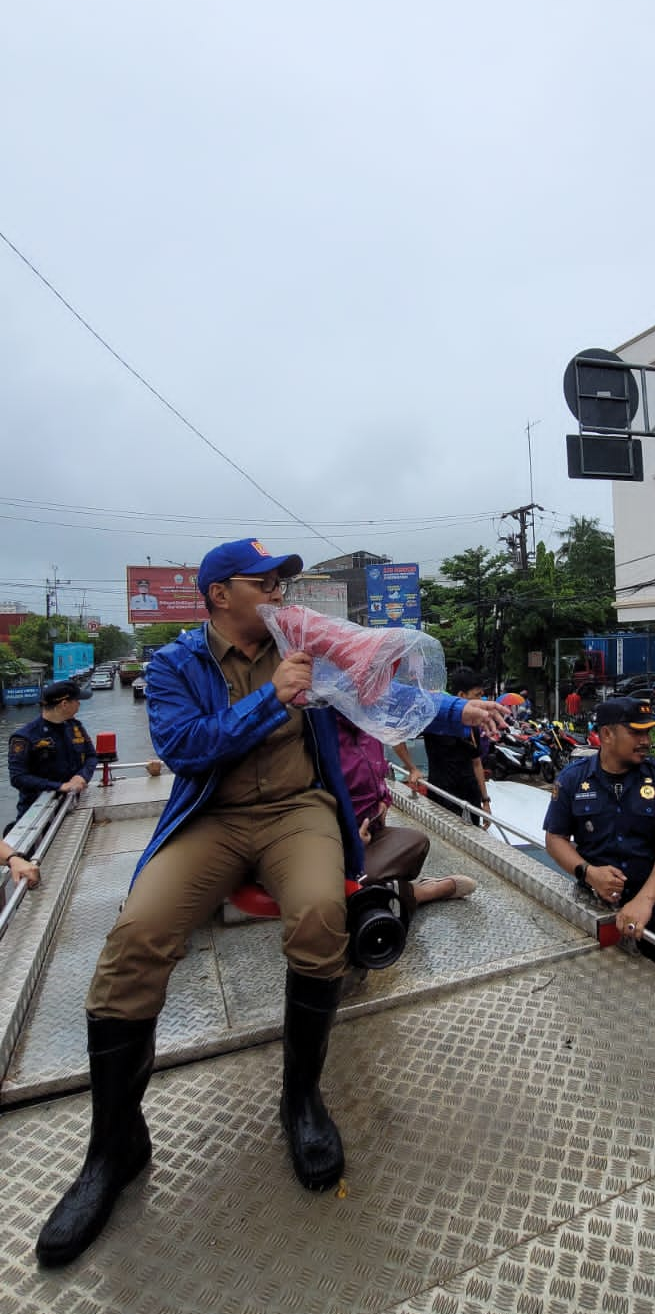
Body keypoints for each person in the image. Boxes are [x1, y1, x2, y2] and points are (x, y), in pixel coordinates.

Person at [35, 537, 507, 1269]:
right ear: (220, 594)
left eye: (283, 585)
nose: (281, 597)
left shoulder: (307, 645)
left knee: (322, 914)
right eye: (266, 584)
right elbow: (187, 747)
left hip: (299, 812)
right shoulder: (174, 665)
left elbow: (382, 691)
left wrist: (460, 712)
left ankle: (301, 1101)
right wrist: (271, 697)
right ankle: (114, 1146)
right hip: (214, 818)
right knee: (137, 937)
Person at [542, 696, 655, 950]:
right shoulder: (573, 779)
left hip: (654, 916)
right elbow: (555, 839)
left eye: (648, 733)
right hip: (592, 909)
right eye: (636, 732)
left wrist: (645, 900)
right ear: (607, 734)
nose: (646, 742)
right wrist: (588, 873)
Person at [336, 715, 476, 911]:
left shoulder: (370, 727)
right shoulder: (318, 732)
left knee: (418, 841)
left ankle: (384, 887)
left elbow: (379, 777)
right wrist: (348, 840)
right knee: (352, 890)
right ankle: (420, 893)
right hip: (333, 845)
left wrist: (384, 801)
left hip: (373, 833)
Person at [8, 680, 98, 821]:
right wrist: (60, 786)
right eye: (77, 700)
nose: (79, 704)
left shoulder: (75, 727)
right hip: (37, 814)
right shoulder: (25, 737)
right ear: (64, 704)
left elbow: (91, 756)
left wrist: (82, 776)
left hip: (74, 804)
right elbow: (18, 778)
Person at [422, 666, 491, 824]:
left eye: (482, 695)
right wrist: (412, 768)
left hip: (470, 798)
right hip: (442, 797)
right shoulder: (435, 720)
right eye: (477, 695)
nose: (481, 700)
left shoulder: (473, 724)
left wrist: (485, 801)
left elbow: (476, 763)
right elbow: (399, 736)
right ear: (461, 695)